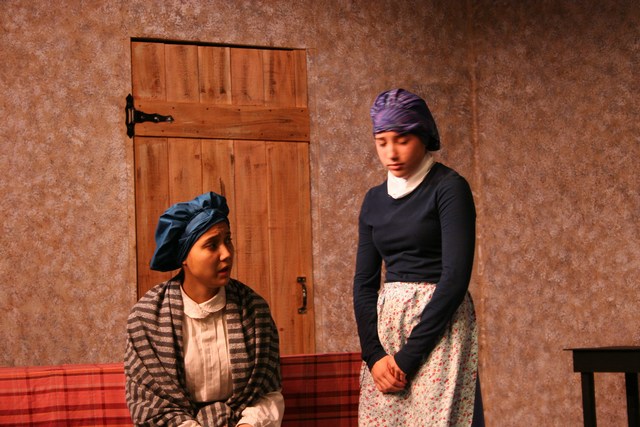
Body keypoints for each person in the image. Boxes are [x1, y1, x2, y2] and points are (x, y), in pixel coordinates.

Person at [353, 88, 484, 426]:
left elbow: (455, 279)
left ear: (423, 135)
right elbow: (364, 282)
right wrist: (374, 356)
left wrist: (408, 358)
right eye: (382, 142)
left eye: (402, 140)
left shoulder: (449, 187)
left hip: (437, 327)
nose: (391, 152)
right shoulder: (373, 199)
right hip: (387, 331)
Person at [125, 192, 284, 427]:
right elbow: (149, 403)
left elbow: (267, 392)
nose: (226, 253)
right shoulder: (146, 318)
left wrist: (248, 425)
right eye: (212, 245)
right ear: (184, 256)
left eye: (228, 240)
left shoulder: (254, 310)